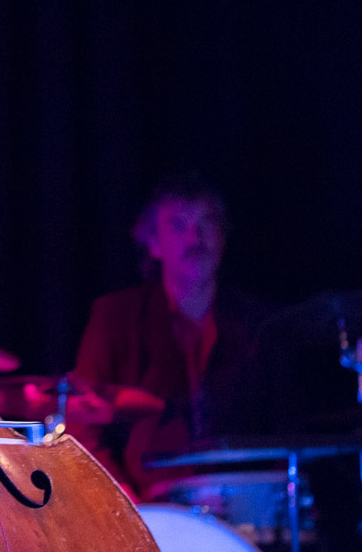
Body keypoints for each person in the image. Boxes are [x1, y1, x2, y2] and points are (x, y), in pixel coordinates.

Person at [68, 173, 270, 500]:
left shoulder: (258, 323)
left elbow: (283, 433)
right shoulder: (114, 317)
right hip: (148, 505)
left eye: (207, 223)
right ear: (153, 243)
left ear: (223, 236)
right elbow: (81, 428)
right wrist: (125, 502)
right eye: (179, 225)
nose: (195, 237)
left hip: (244, 504)